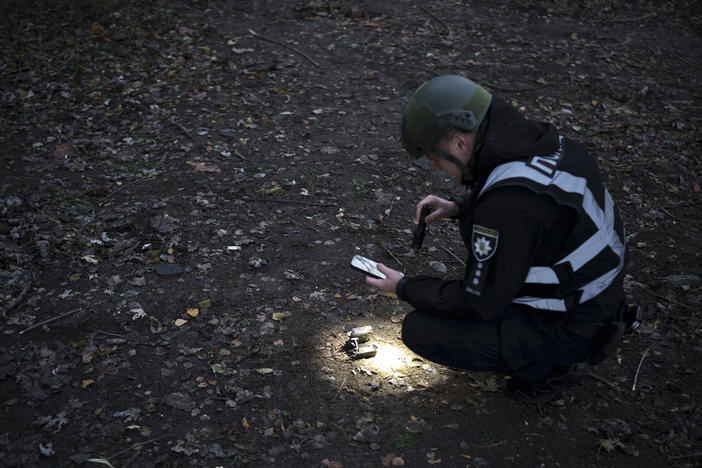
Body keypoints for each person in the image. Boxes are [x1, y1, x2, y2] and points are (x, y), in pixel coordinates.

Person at [365, 74, 635, 403]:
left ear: (460, 142)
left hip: (571, 325)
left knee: (420, 330)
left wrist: (405, 287)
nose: (435, 167)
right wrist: (460, 207)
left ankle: (550, 368)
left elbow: (480, 301)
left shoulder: (506, 209)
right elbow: (539, 209)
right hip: (599, 298)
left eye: (434, 157)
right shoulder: (547, 145)